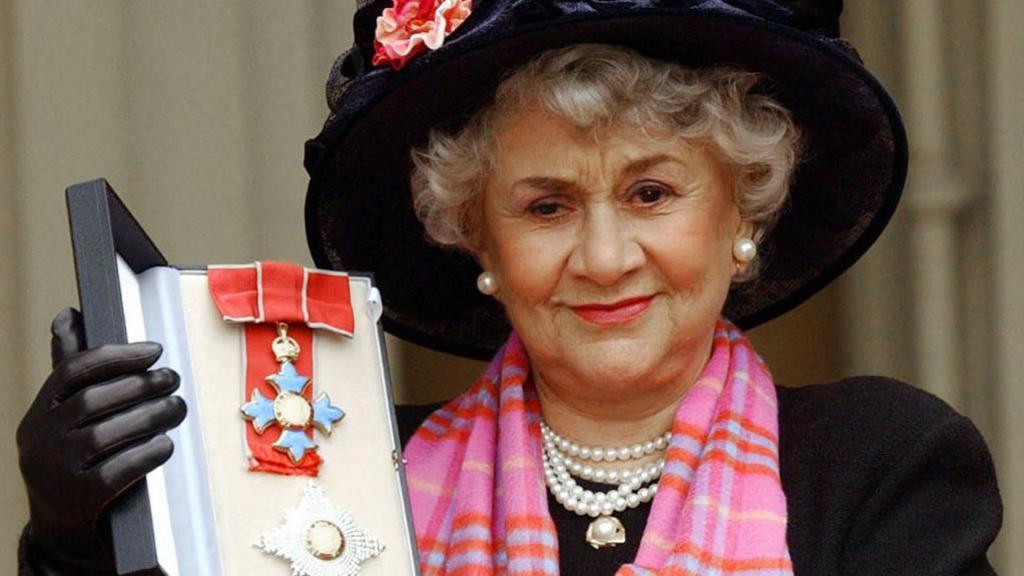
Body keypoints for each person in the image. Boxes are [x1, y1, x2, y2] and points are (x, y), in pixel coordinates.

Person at [17, 1, 1003, 575]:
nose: (605, 255)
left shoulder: (883, 462)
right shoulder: (342, 468)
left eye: (652, 191)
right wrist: (74, 531)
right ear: (476, 237)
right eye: (545, 206)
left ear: (739, 214)